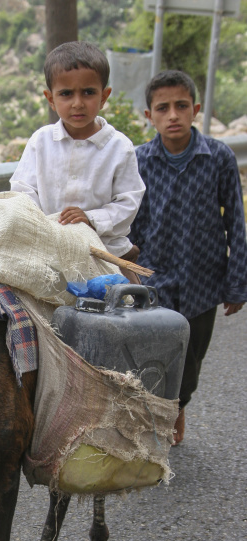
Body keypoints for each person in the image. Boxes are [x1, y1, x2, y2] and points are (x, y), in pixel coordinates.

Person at [129, 70, 247, 444]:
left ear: (195, 109)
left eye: (181, 106)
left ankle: (179, 405)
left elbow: (236, 224)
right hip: (153, 279)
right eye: (162, 108)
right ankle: (153, 415)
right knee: (151, 354)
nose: (173, 115)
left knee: (191, 360)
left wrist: (237, 283)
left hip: (202, 281)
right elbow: (129, 223)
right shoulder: (139, 160)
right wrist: (127, 276)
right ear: (149, 116)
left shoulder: (218, 158)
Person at [10, 40, 145, 264]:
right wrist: (42, 226)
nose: (78, 103)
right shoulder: (40, 142)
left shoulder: (119, 147)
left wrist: (92, 219)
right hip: (49, 250)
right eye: (66, 94)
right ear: (51, 99)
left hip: (105, 251)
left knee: (126, 296)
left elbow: (128, 202)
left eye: (88, 92)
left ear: (104, 96)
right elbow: (23, 191)